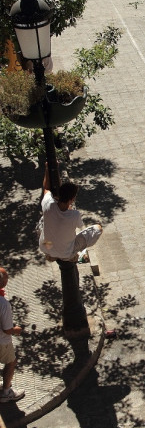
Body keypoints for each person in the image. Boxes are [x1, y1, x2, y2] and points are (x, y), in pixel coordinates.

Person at [39, 165, 103, 334]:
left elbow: (45, 187)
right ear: (72, 199)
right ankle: (74, 255)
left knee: (42, 226)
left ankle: (51, 254)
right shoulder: (74, 215)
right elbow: (79, 228)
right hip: (67, 252)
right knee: (96, 229)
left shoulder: (47, 204)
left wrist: (47, 168)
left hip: (46, 247)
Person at [0, 267, 24, 403]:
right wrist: (17, 329)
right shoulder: (3, 304)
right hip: (2, 341)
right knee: (11, 362)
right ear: (4, 283)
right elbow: (7, 329)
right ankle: (6, 392)